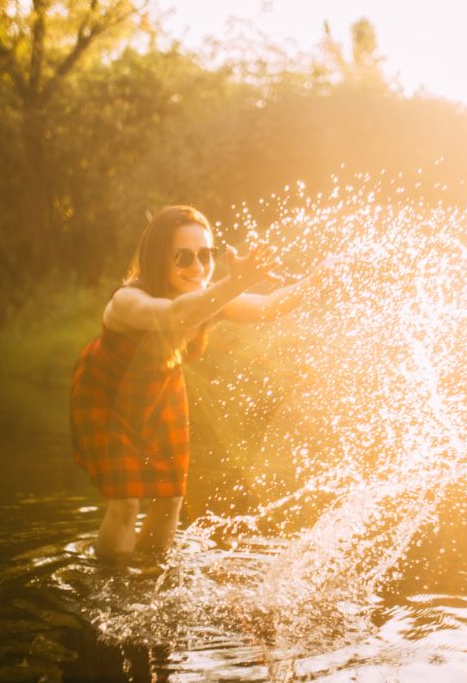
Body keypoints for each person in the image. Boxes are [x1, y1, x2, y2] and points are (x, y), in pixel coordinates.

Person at [69, 204, 317, 564]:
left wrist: (322, 279)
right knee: (125, 503)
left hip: (161, 391)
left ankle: (152, 574)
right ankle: (114, 584)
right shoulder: (127, 300)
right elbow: (174, 316)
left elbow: (267, 305)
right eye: (183, 257)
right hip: (107, 397)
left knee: (170, 499)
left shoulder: (208, 300)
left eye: (205, 255)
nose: (198, 267)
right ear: (158, 258)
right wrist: (236, 281)